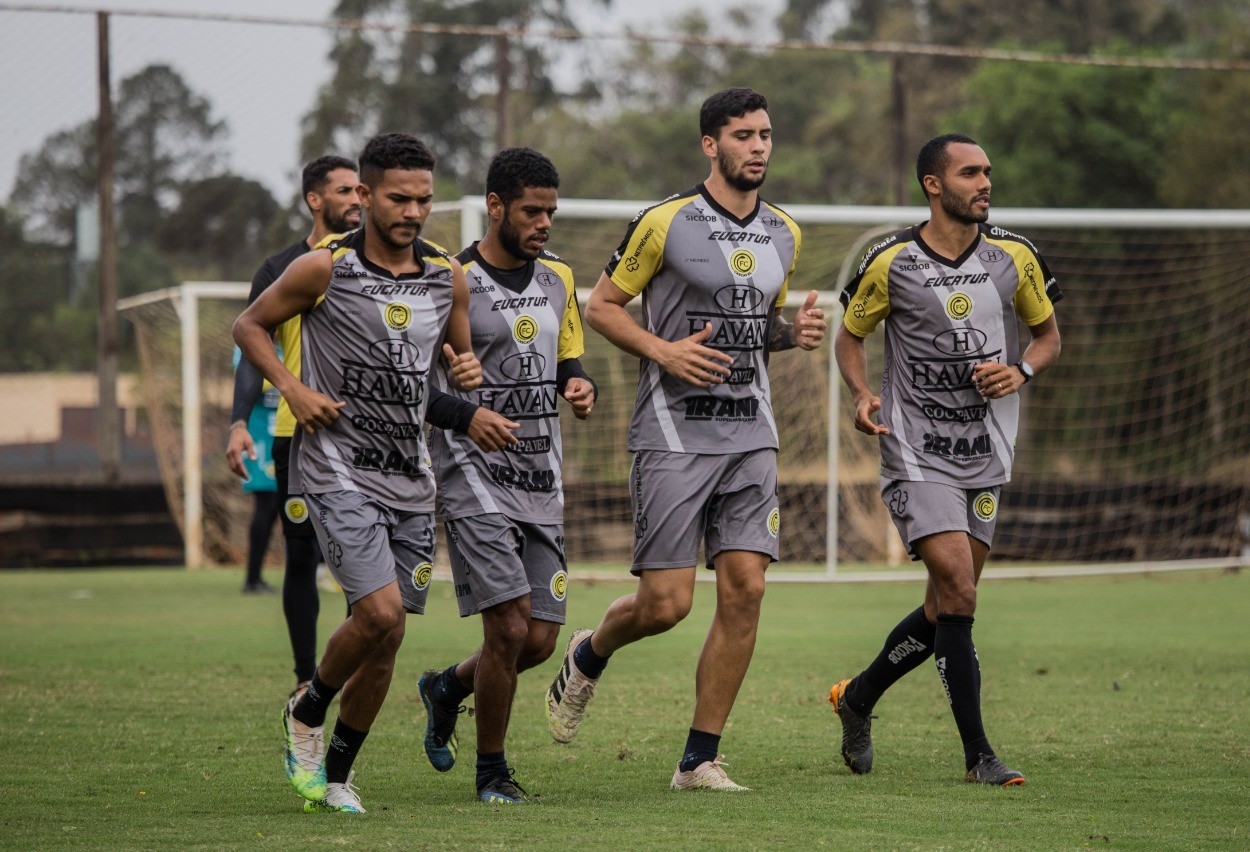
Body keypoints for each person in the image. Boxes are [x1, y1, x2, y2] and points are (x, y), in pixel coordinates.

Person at [543, 87, 826, 791]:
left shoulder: (786, 232)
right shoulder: (663, 223)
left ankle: (699, 758)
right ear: (711, 145)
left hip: (750, 433)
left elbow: (755, 327)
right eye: (743, 135)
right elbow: (602, 308)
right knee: (666, 604)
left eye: (765, 134)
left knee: (746, 587)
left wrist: (796, 334)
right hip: (672, 432)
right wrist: (664, 353)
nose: (758, 146)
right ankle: (589, 653)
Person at [234, 132, 484, 814]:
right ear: (366, 196)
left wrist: (466, 372)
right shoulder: (324, 267)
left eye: (424, 200)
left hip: (413, 473)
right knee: (374, 611)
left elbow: (457, 361)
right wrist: (291, 387)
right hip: (336, 467)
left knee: (390, 633)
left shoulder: (445, 276)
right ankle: (308, 706)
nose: (413, 211)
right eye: (399, 198)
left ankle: (336, 775)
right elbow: (250, 327)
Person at [827, 133, 1062, 786]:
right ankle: (979, 755)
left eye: (988, 171)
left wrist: (1019, 370)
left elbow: (1048, 338)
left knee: (944, 609)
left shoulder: (1016, 257)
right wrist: (861, 391)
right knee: (958, 587)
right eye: (969, 173)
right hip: (914, 447)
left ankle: (859, 697)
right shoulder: (892, 261)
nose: (985, 182)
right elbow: (850, 336)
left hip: (985, 451)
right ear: (934, 185)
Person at [417, 148, 595, 805]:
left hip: (540, 478)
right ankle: (492, 772)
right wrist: (468, 416)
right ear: (495, 208)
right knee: (509, 629)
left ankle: (446, 688)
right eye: (531, 210)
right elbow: (411, 390)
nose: (545, 221)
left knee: (541, 640)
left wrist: (580, 387)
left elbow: (568, 361)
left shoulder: (558, 279)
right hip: (472, 475)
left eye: (551, 210)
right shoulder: (447, 280)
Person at [226, 155, 361, 686]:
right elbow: (251, 348)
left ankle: (357, 666)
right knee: (301, 556)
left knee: (365, 567)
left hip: (367, 440)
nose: (356, 199)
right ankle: (306, 680)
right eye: (345, 190)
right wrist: (239, 423)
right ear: (315, 199)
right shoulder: (280, 268)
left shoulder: (374, 263)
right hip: (295, 438)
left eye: (360, 190)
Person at [235, 345, 281, 594]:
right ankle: (252, 578)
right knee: (266, 505)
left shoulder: (300, 338)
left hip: (292, 433)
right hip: (262, 436)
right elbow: (248, 376)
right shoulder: (251, 339)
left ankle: (316, 571)